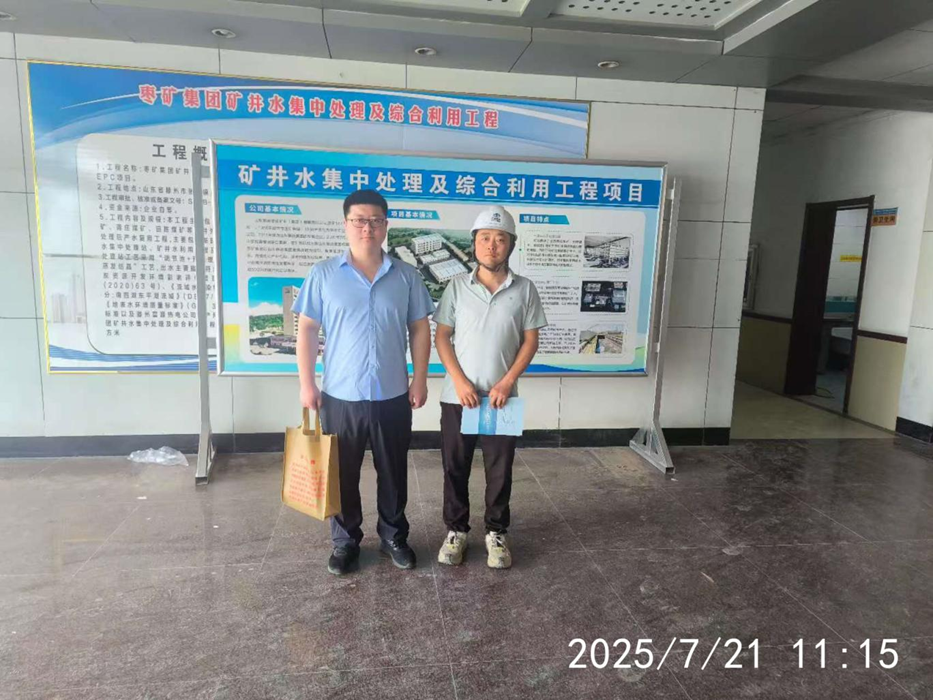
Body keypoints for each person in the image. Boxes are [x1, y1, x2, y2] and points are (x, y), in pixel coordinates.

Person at [292, 189, 434, 576]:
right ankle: (345, 541)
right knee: (342, 472)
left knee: (394, 470)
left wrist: (420, 379)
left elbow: (420, 329)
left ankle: (393, 537)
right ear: (346, 224)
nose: (367, 228)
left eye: (375, 220)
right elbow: (307, 329)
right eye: (359, 220)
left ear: (386, 226)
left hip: (393, 393)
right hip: (340, 395)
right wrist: (307, 384)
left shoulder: (406, 276)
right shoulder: (323, 274)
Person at [433, 205, 547, 569]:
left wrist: (508, 381)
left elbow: (530, 341)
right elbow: (442, 337)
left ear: (511, 244)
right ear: (474, 244)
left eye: (500, 239)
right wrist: (459, 381)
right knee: (455, 466)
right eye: (485, 238)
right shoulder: (456, 287)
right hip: (458, 397)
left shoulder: (524, 289)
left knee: (500, 469)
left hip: (502, 399)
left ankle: (496, 532)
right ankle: (456, 530)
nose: (492, 246)